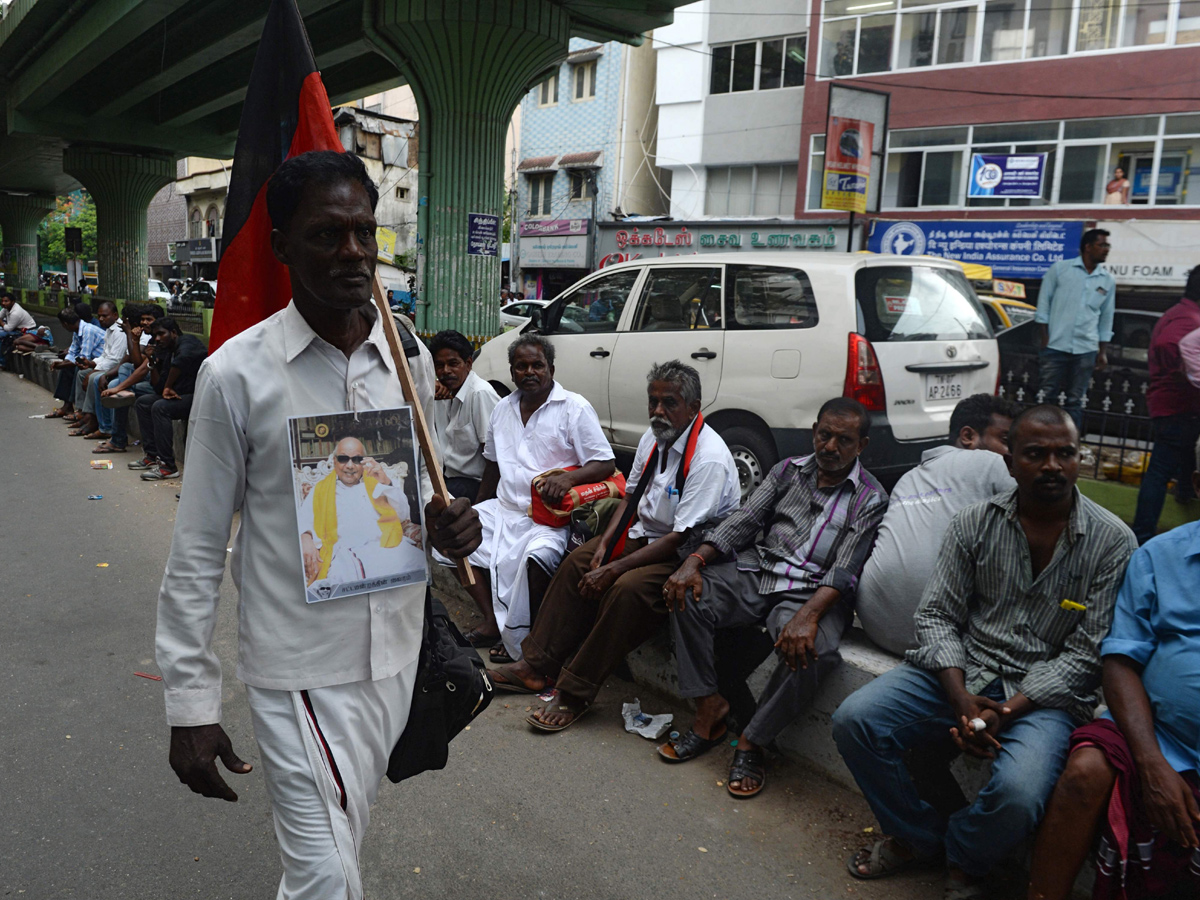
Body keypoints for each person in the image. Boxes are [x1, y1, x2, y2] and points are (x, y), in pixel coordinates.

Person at [155, 150, 482, 899]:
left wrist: (447, 530)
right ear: (282, 247)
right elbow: (198, 549)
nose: (353, 253)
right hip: (299, 672)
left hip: (399, 660)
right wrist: (190, 703)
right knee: (326, 878)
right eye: (327, 235)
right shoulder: (236, 375)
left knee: (339, 848)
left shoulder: (409, 359)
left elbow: (406, 513)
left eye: (364, 232)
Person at [833, 405, 1136, 900]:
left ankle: (964, 857)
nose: (1053, 465)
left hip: (1044, 698)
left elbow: (1088, 656)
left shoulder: (1112, 542)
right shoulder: (973, 523)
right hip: (965, 669)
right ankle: (917, 837)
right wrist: (961, 700)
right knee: (856, 720)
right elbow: (936, 617)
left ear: (1081, 460)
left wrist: (1008, 710)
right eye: (1036, 454)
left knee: (1018, 794)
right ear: (1010, 463)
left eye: (1066, 453)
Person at [489, 360, 741, 731]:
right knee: (578, 561)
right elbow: (630, 498)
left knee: (627, 590)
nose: (658, 411)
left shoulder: (709, 458)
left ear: (693, 406)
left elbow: (679, 537)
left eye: (669, 403)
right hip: (646, 535)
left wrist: (613, 568)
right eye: (653, 401)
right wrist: (604, 548)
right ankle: (536, 665)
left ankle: (574, 692)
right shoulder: (653, 437)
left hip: (688, 554)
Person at [658, 398, 887, 800]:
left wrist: (809, 616)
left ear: (861, 445)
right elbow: (743, 522)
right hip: (758, 571)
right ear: (814, 430)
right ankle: (709, 708)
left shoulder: (869, 497)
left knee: (815, 649)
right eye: (824, 434)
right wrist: (695, 561)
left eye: (844, 440)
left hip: (810, 591)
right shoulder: (787, 471)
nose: (831, 446)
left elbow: (845, 569)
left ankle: (752, 741)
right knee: (686, 593)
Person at [1027, 447, 1200, 900]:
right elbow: (1120, 660)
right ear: (1199, 484)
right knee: (1085, 770)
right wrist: (1151, 762)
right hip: (1164, 734)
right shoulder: (1159, 557)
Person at [435, 333, 615, 660]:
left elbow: (605, 462)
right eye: (521, 366)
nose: (529, 372)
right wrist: (476, 507)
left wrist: (569, 478)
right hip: (504, 508)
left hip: (547, 518)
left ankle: (525, 636)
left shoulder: (574, 407)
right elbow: (491, 463)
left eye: (537, 365)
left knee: (536, 557)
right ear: (512, 371)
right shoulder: (503, 409)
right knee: (449, 540)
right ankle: (492, 620)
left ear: (551, 369)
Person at [857, 393, 1018, 655]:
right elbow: (1053, 506)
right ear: (968, 437)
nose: (1015, 453)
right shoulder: (992, 462)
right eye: (1007, 442)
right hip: (940, 638)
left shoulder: (908, 478)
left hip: (876, 624)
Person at [297, 435, 425, 591]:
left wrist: (385, 482)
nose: (350, 465)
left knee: (418, 564)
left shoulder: (377, 483)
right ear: (335, 462)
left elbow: (403, 514)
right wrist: (305, 537)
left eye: (356, 459)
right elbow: (303, 520)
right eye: (344, 459)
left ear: (364, 462)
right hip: (344, 555)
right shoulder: (320, 490)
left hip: (385, 548)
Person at [1130, 269, 1200, 544]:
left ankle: (1185, 491)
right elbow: (1170, 345)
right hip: (1178, 405)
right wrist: (1184, 372)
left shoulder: (1180, 313)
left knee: (1183, 458)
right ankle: (1142, 536)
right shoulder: (1188, 320)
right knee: (1159, 472)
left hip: (1174, 404)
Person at [1035, 228, 1116, 431]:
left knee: (1075, 401)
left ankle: (1069, 443)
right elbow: (1043, 304)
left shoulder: (1107, 280)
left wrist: (1102, 351)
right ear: (1087, 247)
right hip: (1055, 344)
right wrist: (1045, 338)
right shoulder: (1060, 269)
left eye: (1108, 245)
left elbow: (1106, 317)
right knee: (1047, 396)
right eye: (1102, 245)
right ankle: (1039, 436)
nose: (1106, 249)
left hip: (1086, 347)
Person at [129, 317, 207, 480]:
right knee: (143, 402)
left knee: (160, 407)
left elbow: (181, 360)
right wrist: (152, 361)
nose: (157, 339)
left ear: (173, 332)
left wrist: (168, 387)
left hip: (200, 397)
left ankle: (168, 466)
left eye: (161, 334)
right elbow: (158, 386)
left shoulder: (188, 342)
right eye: (155, 335)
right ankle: (152, 456)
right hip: (178, 396)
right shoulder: (166, 351)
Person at [430, 329, 500, 506]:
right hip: (449, 478)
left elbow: (496, 458)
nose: (446, 371)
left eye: (453, 363)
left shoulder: (479, 394)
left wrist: (480, 505)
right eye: (439, 365)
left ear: (468, 363)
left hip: (475, 485)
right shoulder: (440, 393)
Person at [67, 299, 127, 438]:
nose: (101, 319)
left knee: (94, 377)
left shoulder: (119, 331)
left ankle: (99, 423)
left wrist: (94, 370)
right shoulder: (108, 330)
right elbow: (105, 356)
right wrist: (91, 363)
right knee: (82, 373)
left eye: (105, 316)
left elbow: (115, 360)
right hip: (108, 364)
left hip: (117, 367)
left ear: (115, 315)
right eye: (99, 316)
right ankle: (84, 412)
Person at [46, 307, 104, 419]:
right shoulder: (77, 331)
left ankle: (80, 409)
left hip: (99, 362)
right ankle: (67, 406)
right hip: (90, 361)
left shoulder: (88, 330)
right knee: (66, 367)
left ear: (65, 324)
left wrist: (66, 363)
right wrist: (64, 363)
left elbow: (83, 357)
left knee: (78, 369)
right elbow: (73, 352)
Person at [0, 289, 38, 367]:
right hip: (15, 329)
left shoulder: (16, 312)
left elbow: (8, 328)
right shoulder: (6, 308)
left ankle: (2, 362)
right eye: (2, 301)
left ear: (12, 302)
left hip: (25, 332)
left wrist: (0, 322)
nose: (3, 303)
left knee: (2, 336)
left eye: (6, 301)